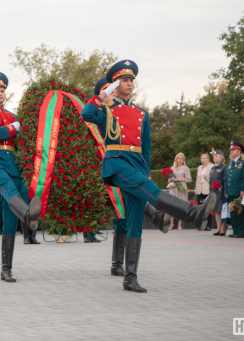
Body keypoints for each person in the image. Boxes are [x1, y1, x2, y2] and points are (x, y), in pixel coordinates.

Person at [82, 67, 178, 293]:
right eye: (123, 80)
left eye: (131, 80)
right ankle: (119, 263)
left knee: (133, 221)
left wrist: (146, 172)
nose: (129, 83)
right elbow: (86, 114)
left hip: (137, 167)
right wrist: (101, 96)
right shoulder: (106, 111)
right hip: (118, 166)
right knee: (121, 217)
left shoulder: (142, 113)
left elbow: (146, 148)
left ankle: (130, 277)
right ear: (114, 87)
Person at [0, 72, 43, 283]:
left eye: (2, 91)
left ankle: (6, 269)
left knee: (10, 216)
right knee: (10, 191)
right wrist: (12, 129)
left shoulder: (13, 116)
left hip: (13, 163)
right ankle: (29, 217)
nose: (0, 94)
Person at [224, 141, 244, 238]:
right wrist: (226, 190)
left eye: (233, 150)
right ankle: (235, 231)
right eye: (230, 150)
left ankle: (241, 232)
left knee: (240, 213)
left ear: (239, 151)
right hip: (231, 191)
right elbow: (227, 178)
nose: (231, 151)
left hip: (239, 191)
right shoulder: (229, 163)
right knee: (233, 212)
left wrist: (242, 189)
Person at [168, 153, 191, 230]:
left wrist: (180, 179)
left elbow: (189, 179)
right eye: (179, 158)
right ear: (176, 159)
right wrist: (171, 179)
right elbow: (169, 179)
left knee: (181, 205)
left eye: (181, 158)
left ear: (183, 160)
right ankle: (171, 223)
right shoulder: (172, 168)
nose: (180, 160)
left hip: (182, 187)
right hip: (173, 187)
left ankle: (179, 223)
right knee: (172, 205)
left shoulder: (186, 168)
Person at [210, 150, 227, 236]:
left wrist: (221, 187)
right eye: (214, 156)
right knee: (216, 210)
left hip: (220, 191)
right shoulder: (213, 168)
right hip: (213, 191)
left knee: (221, 210)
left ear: (221, 157)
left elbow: (225, 179)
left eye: (217, 156)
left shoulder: (223, 167)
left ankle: (223, 227)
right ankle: (218, 227)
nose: (215, 157)